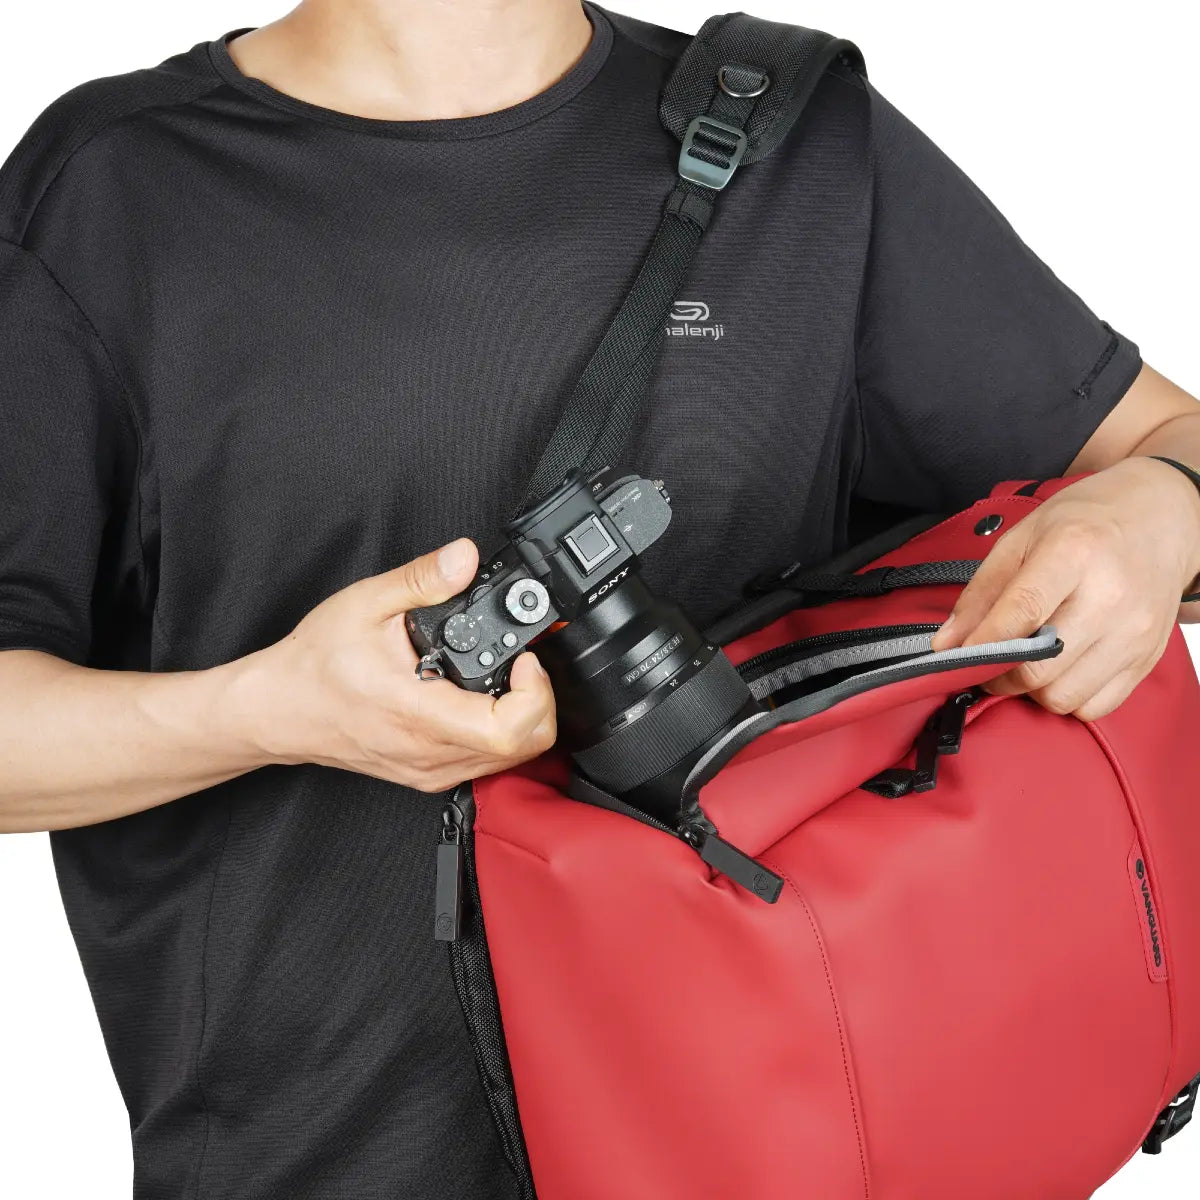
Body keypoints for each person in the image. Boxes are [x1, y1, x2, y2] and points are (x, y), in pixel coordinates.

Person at [0, 0, 1197, 1195]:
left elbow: (1172, 446)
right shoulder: (111, 192)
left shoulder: (798, 144)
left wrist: (1160, 505)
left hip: (781, 1149)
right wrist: (265, 713)